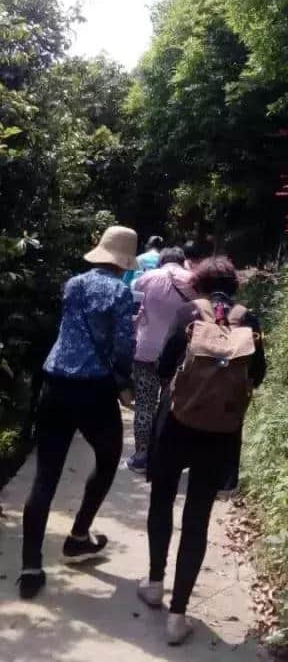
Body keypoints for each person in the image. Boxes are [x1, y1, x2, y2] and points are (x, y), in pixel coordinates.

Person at [137, 256, 266, 646]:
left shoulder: (187, 312)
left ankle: (155, 583)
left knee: (161, 501)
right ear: (235, 285)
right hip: (220, 431)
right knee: (197, 516)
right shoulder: (250, 320)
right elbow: (257, 375)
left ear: (199, 283)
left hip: (176, 424)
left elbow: (164, 366)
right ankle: (178, 617)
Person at [19, 225, 137, 601]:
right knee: (108, 457)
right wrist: (123, 382)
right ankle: (78, 536)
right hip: (93, 389)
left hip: (55, 383)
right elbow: (123, 344)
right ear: (125, 261)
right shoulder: (121, 292)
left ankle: (31, 566)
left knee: (45, 476)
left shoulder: (73, 284)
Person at [127, 247, 196, 473]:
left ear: (161, 261)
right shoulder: (192, 280)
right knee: (174, 405)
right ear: (182, 261)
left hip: (145, 350)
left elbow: (134, 310)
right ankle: (167, 457)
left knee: (145, 405)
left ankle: (141, 457)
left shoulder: (145, 278)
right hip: (177, 354)